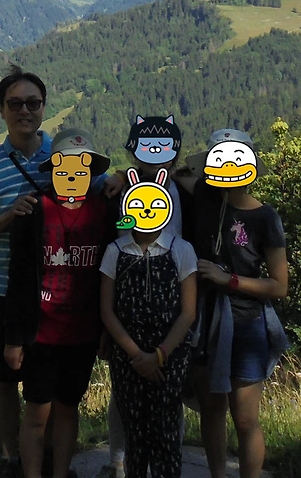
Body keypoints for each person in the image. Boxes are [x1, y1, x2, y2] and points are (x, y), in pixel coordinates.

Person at [0, 67, 117, 477]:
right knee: (5, 378)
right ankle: (10, 457)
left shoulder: (62, 152)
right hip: (7, 287)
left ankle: (49, 460)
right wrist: (10, 216)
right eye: (15, 103)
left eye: (32, 103)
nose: (25, 111)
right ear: (2, 109)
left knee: (50, 395)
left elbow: (103, 185)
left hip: (62, 300)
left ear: (44, 107)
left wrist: (122, 182)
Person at [179, 129, 289, 478]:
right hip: (203, 321)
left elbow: (279, 285)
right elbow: (175, 175)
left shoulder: (266, 218)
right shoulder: (205, 195)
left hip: (246, 324)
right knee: (211, 410)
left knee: (245, 419)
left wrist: (230, 280)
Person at [4, 129, 114, 478]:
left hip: (83, 335)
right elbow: (19, 276)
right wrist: (14, 337)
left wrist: (106, 330)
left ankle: (61, 473)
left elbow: (111, 274)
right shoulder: (33, 211)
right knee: (37, 413)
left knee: (68, 409)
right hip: (41, 334)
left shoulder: (106, 211)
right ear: (53, 169)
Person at [100, 167, 199, 478]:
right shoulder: (115, 251)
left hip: (171, 355)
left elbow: (188, 312)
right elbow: (107, 311)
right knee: (135, 432)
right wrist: (136, 355)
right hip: (126, 356)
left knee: (166, 430)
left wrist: (159, 355)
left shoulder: (182, 250)